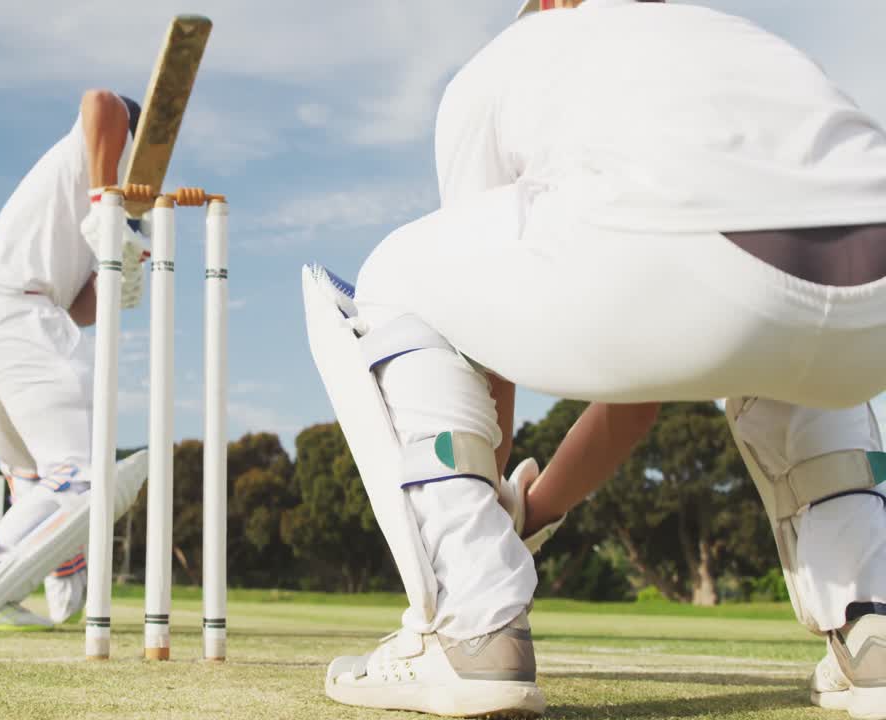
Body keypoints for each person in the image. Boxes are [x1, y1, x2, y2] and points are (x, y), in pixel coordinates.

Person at [302, 1, 886, 717]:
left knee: (395, 278)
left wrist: (487, 507)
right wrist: (537, 511)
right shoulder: (733, 38)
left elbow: (480, 351)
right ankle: (873, 626)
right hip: (870, 311)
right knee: (789, 350)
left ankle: (473, 628)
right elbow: (635, 403)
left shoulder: (508, 59)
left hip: (687, 271)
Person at [0, 89, 150, 630]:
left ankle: (62, 585)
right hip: (18, 318)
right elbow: (102, 102)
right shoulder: (104, 141)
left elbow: (80, 310)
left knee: (35, 479)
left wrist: (120, 271)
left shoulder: (96, 201)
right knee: (80, 478)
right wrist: (105, 201)